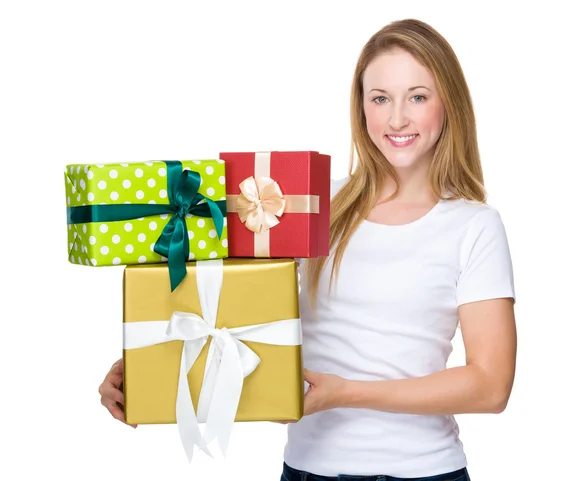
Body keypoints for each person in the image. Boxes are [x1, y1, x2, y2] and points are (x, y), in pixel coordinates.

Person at [99, 18, 516, 481]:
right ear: (361, 109)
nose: (397, 118)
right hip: (306, 471)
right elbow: (228, 307)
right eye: (380, 98)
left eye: (418, 96)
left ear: (448, 104)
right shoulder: (311, 206)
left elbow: (490, 386)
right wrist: (145, 366)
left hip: (424, 473)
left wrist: (345, 393)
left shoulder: (473, 226)